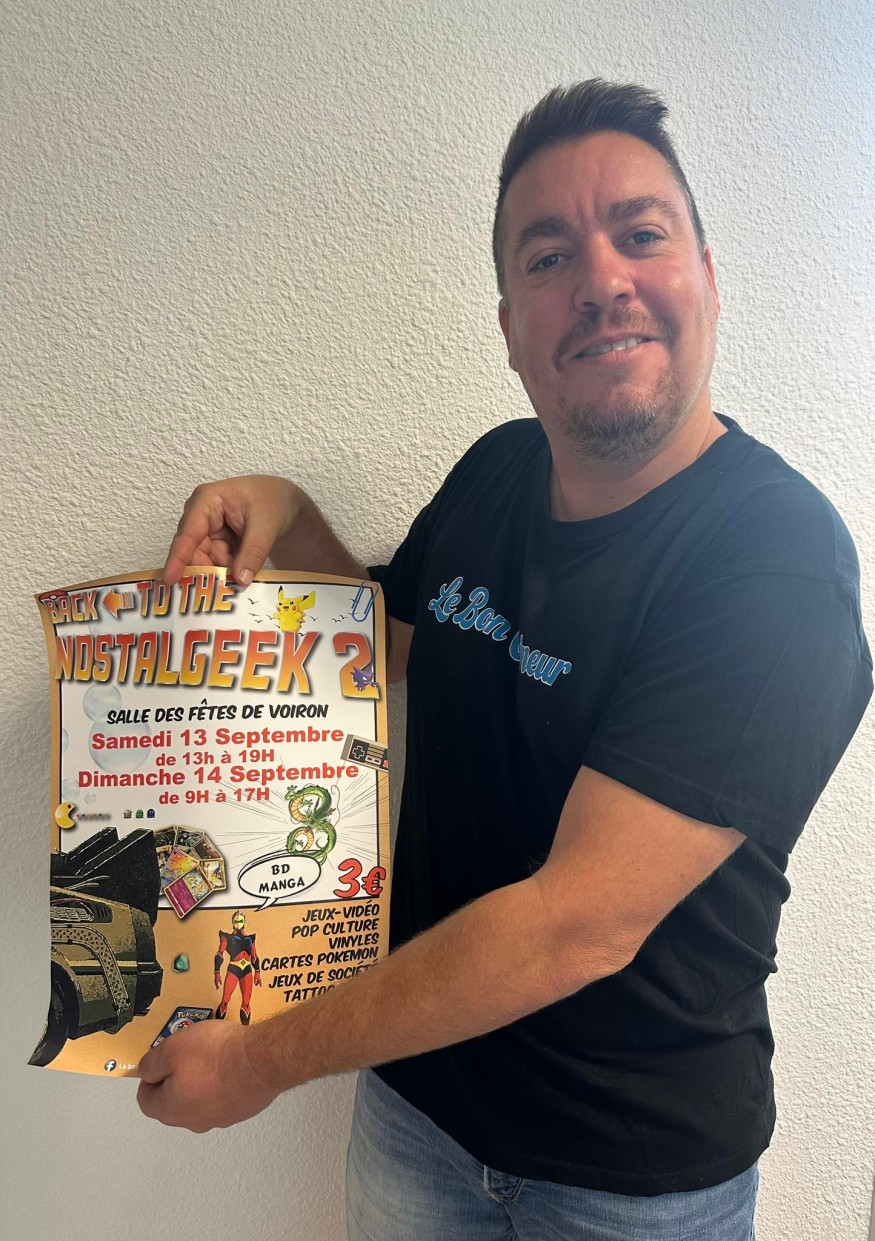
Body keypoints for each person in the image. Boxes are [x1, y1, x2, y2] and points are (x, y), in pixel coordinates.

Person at [137, 80, 872, 1240]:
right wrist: (283, 507)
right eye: (547, 256)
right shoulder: (496, 469)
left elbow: (574, 922)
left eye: (639, 234)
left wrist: (258, 1061)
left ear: (706, 273)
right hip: (416, 1120)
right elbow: (388, 641)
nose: (600, 280)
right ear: (509, 327)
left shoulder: (773, 561)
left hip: (629, 1183)